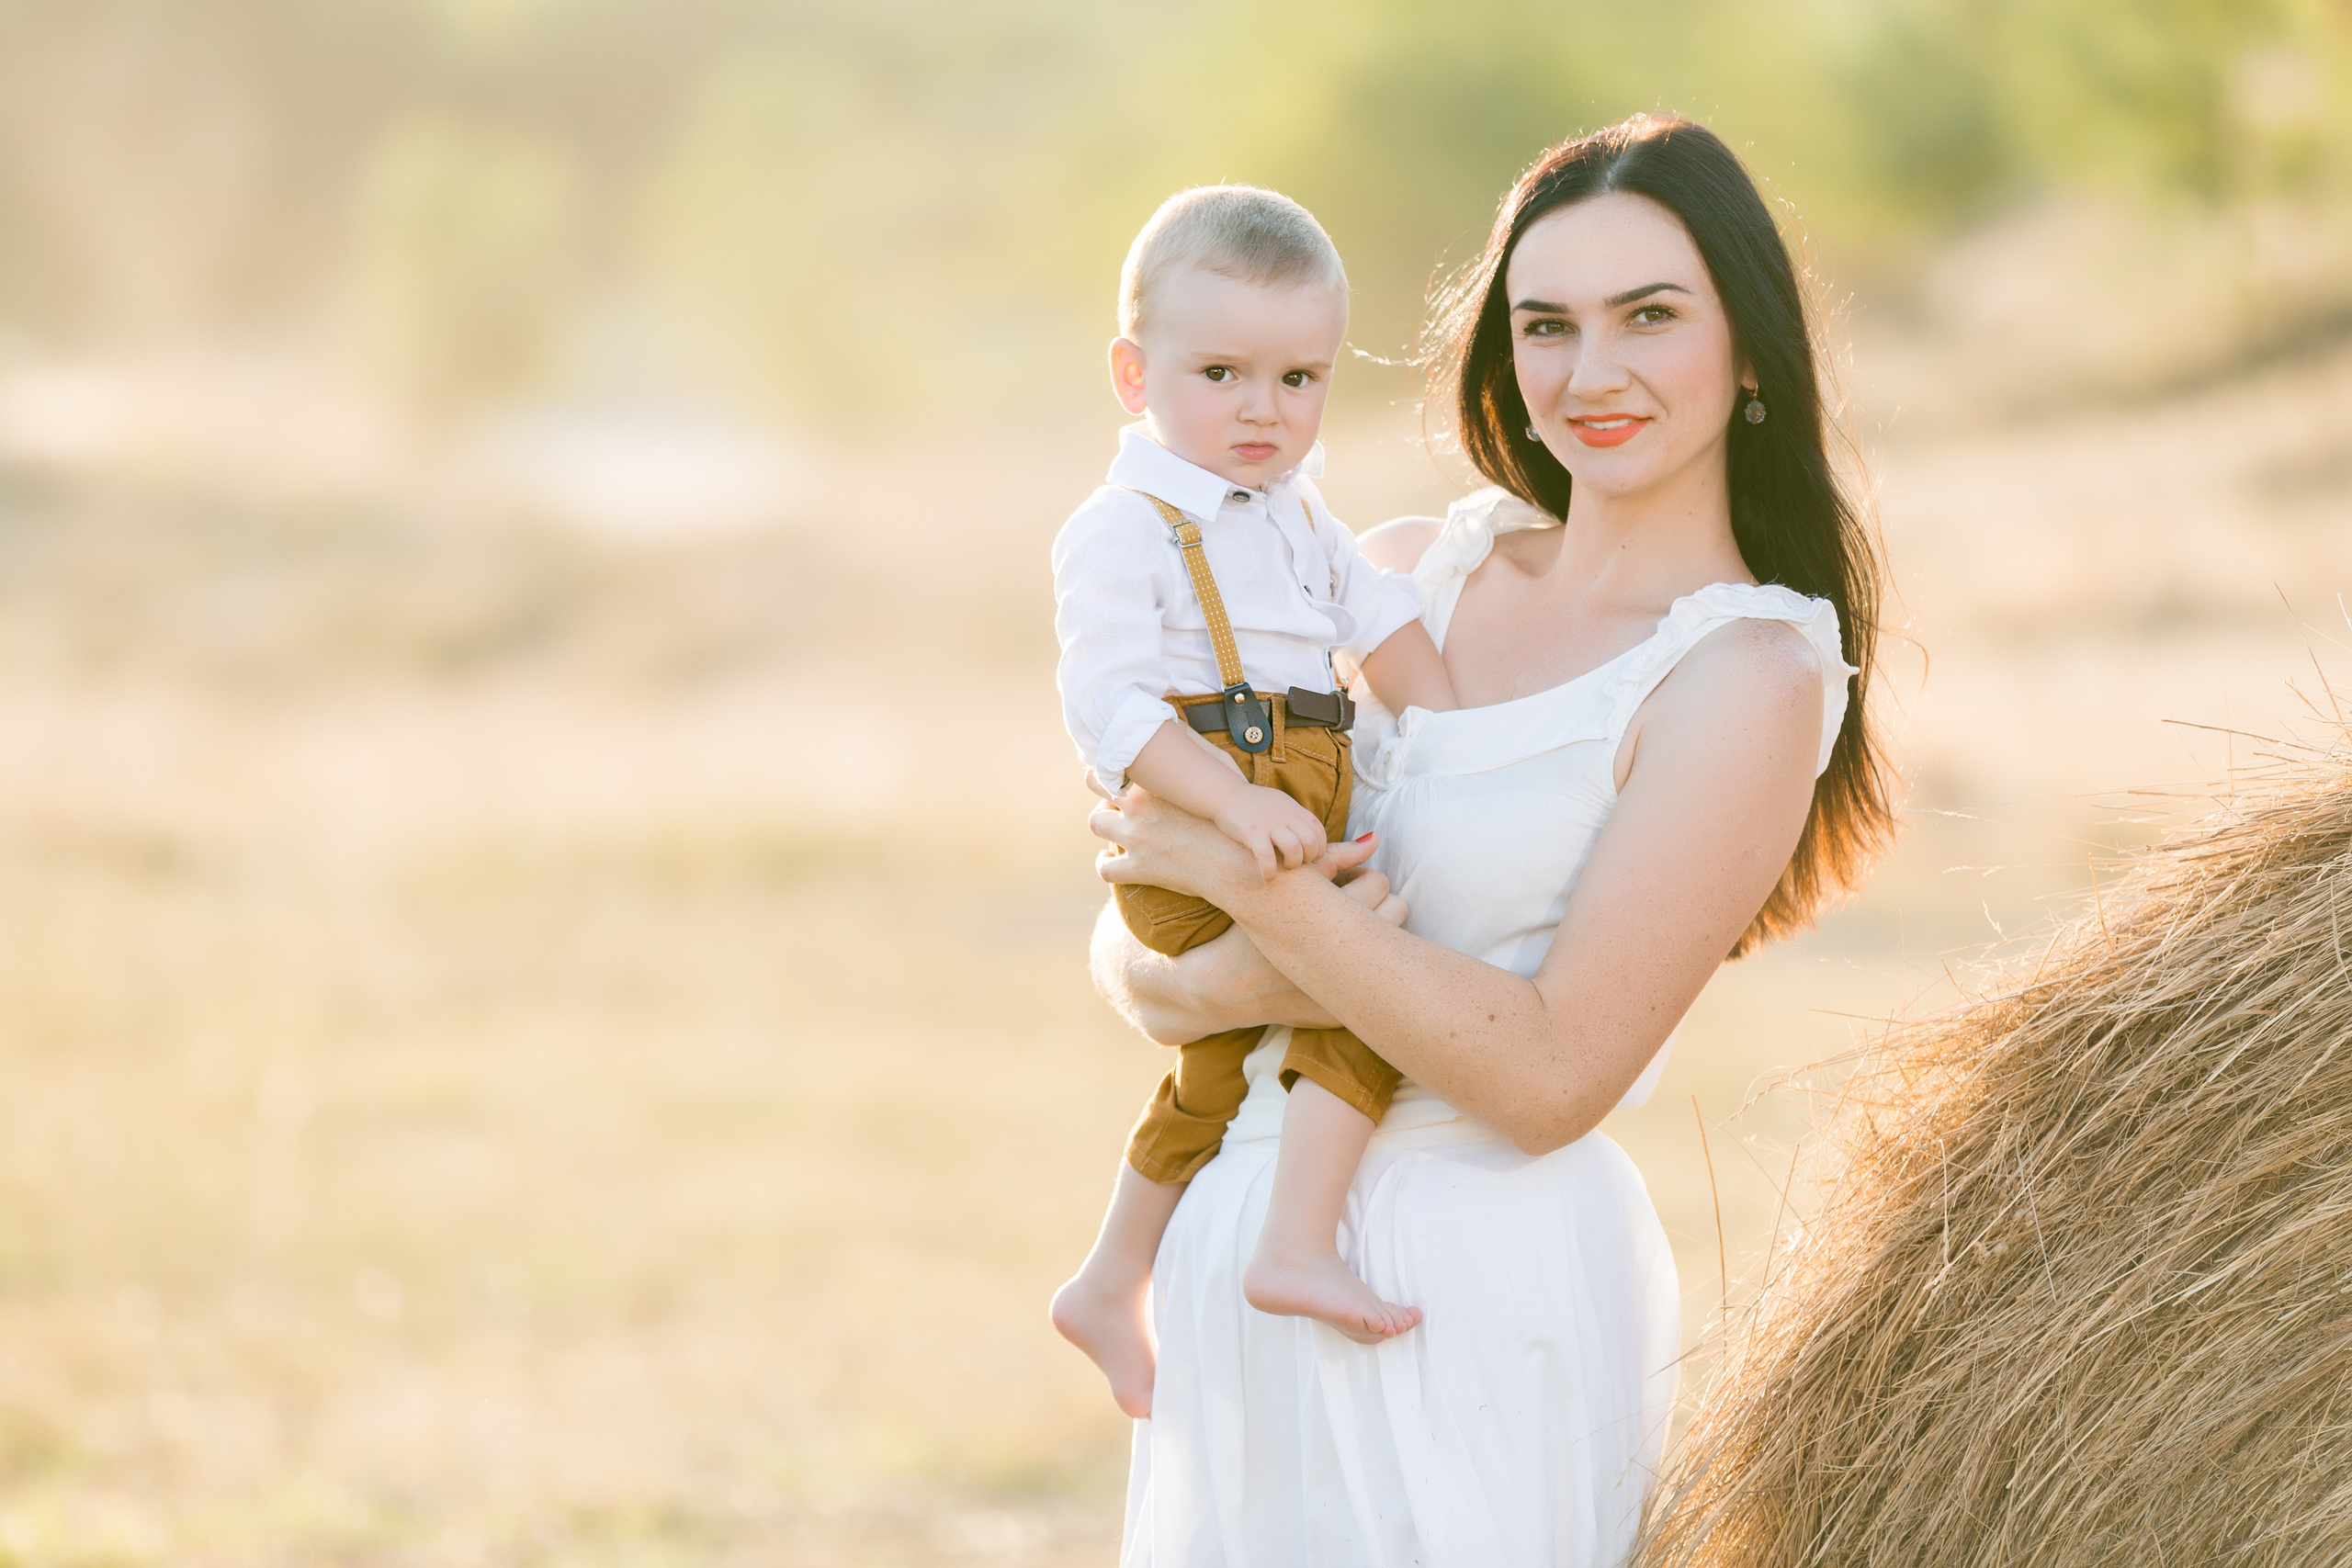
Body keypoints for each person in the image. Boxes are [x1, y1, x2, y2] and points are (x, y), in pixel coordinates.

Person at [1087, 114, 1896, 1564]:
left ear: (1754, 347)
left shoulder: (1747, 676)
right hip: (1238, 1244)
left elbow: (1544, 1076)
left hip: (1466, 1282)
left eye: (1651, 315)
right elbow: (1141, 906)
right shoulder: (1394, 573)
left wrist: (1252, 905)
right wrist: (1198, 970)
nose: (1592, 373)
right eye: (1548, 325)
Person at [1047, 185, 1462, 1417]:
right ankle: (1296, 1243)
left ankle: (1109, 1277)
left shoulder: (1299, 515)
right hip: (1200, 827)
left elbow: (1379, 621)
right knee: (1381, 991)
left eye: (1298, 379)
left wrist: (1455, 725)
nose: (1261, 410)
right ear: (1135, 373)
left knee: (1217, 1069)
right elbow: (1111, 709)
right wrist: (1229, 804)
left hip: (1292, 797)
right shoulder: (1126, 526)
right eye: (1221, 371)